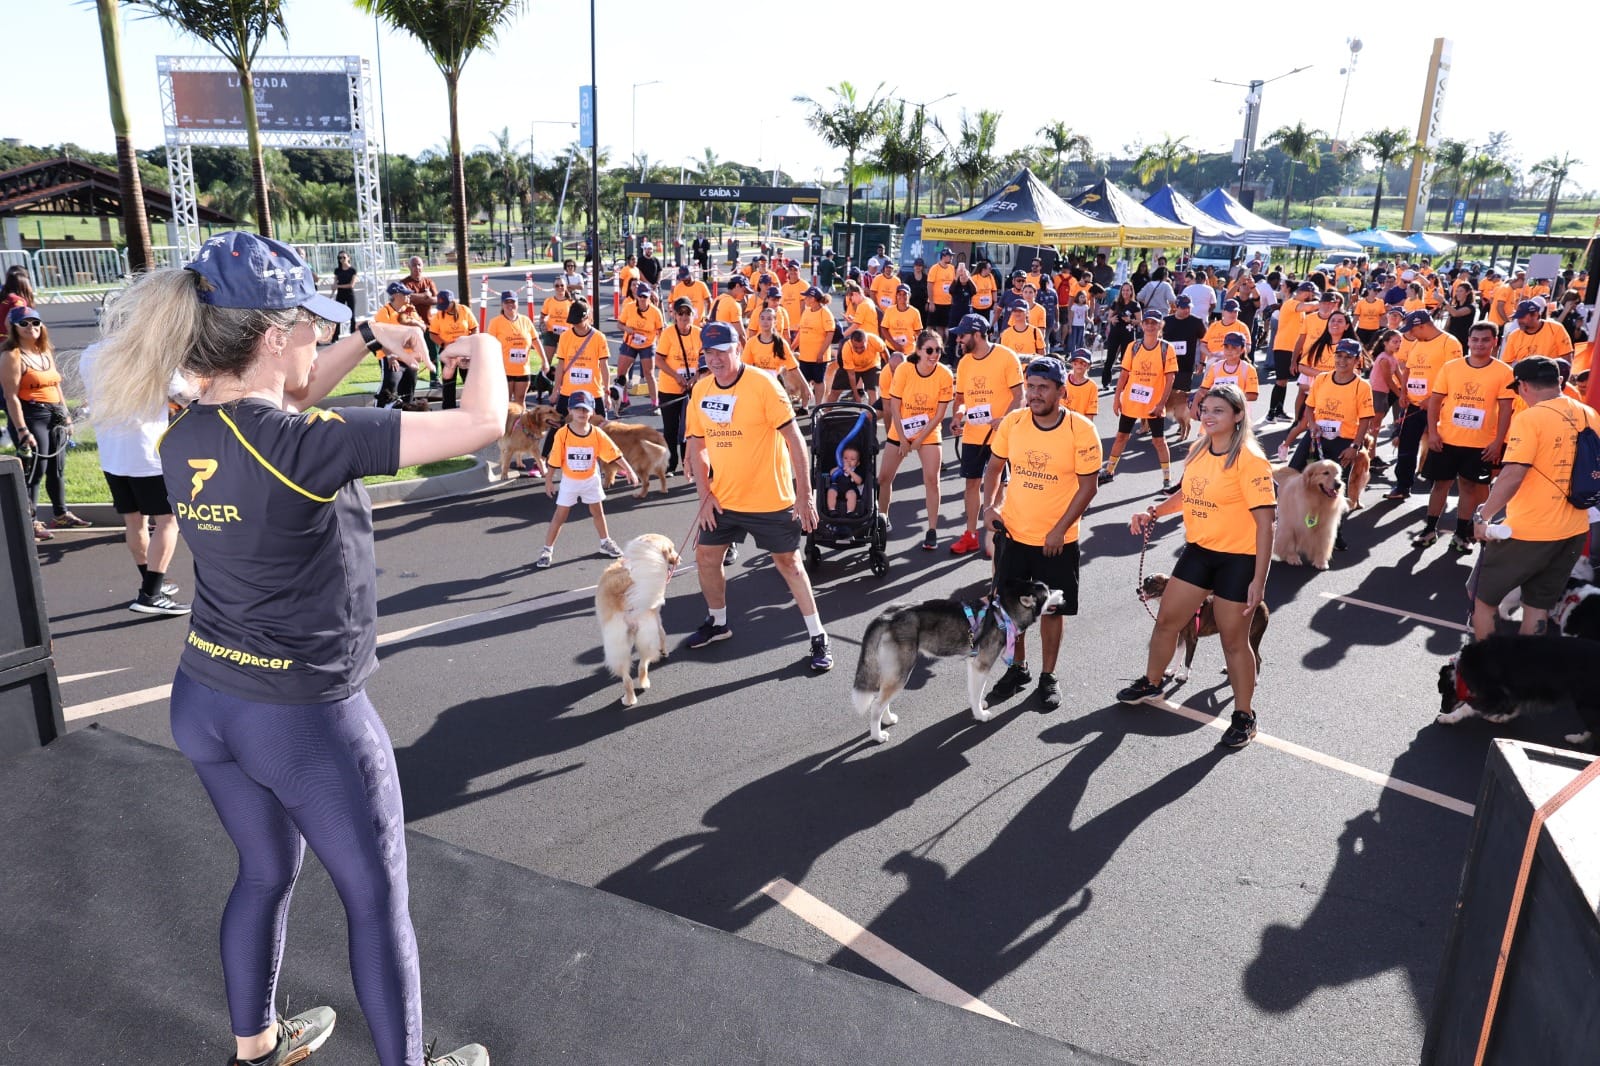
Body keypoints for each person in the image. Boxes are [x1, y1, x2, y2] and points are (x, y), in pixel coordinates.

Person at [89, 231, 498, 1066]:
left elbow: (284, 389)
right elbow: (484, 421)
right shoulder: (314, 444)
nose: (318, 337)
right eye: (308, 324)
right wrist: (487, 343)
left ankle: (258, 1047)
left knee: (264, 874)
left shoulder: (186, 438)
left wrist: (372, 337)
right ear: (273, 336)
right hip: (305, 719)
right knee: (378, 903)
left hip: (207, 701)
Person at [1119, 383, 1274, 749]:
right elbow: (1187, 493)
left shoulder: (1251, 461)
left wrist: (1259, 579)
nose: (1208, 415)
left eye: (1218, 410)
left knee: (1235, 643)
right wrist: (1155, 510)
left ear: (1238, 416)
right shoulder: (1198, 449)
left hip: (1238, 561)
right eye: (1205, 408)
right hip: (1199, 552)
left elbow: (1267, 524)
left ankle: (1244, 716)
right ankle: (1152, 683)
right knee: (1167, 622)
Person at [682, 321, 832, 671]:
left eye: (722, 350)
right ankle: (718, 623)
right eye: (709, 352)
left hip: (770, 499)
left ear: (739, 347)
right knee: (706, 557)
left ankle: (817, 636)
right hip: (724, 499)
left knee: (790, 565)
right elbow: (696, 444)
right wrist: (704, 493)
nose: (715, 358)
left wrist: (804, 495)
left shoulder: (764, 385)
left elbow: (796, 440)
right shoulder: (701, 391)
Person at [979, 356, 1102, 711]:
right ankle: (1018, 669)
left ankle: (1048, 676)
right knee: (1011, 610)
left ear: (1061, 392)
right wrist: (989, 506)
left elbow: (1089, 486)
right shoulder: (1014, 423)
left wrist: (1059, 530)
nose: (1034, 394)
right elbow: (994, 467)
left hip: (1055, 543)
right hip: (1014, 535)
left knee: (1050, 611)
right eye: (1030, 386)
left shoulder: (1081, 430)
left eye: (1043, 388)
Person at [1470, 356, 1600, 639]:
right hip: (1575, 528)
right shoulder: (1589, 413)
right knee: (1538, 606)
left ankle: (1486, 673)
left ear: (1523, 386)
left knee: (1482, 597)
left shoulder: (1530, 417)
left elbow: (1514, 473)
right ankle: (1526, 671)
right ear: (1560, 382)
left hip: (1530, 529)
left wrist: (1483, 516)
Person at [80, 341, 194, 614]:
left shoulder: (91, 353)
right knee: (168, 521)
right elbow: (186, 397)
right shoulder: (154, 352)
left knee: (134, 521)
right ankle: (151, 595)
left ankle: (150, 583)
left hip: (112, 454)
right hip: (146, 455)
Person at [1411, 322, 1516, 553]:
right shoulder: (1451, 367)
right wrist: (1433, 432)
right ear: (1468, 341)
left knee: (1468, 488)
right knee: (1440, 485)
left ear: (1494, 342)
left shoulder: (1504, 372)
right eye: (1475, 340)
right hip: (1447, 440)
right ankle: (1429, 529)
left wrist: (1498, 442)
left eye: (1485, 340)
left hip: (1481, 445)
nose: (1479, 344)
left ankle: (1460, 534)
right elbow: (1435, 401)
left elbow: (1507, 410)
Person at [1, 306, 89, 539]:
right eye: (25, 324)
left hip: (55, 414)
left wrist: (67, 417)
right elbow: (11, 396)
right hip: (32, 415)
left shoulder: (44, 352)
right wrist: (21, 430)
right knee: (35, 470)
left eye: (35, 322)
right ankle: (30, 521)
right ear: (13, 328)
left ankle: (61, 514)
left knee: (57, 468)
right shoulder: (12, 355)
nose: (32, 327)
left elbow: (56, 385)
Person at [949, 313, 1023, 556]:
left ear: (978, 334)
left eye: (963, 335)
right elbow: (961, 399)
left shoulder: (1005, 357)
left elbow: (1019, 395)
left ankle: (994, 533)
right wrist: (957, 417)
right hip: (972, 434)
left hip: (1000, 435)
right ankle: (970, 534)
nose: (959, 339)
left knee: (1000, 484)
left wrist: (1005, 420)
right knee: (972, 483)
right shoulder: (964, 363)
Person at [535, 390, 635, 569]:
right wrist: (548, 480)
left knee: (598, 512)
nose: (582, 413)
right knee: (560, 516)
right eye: (577, 409)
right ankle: (547, 550)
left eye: (585, 409)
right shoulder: (562, 434)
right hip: (570, 481)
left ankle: (605, 542)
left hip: (591, 480)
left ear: (592, 411)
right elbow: (555, 459)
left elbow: (614, 453)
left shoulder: (597, 433)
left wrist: (629, 470)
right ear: (570, 410)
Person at [877, 330, 954, 550]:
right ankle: (883, 519)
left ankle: (931, 530)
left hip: (928, 431)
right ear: (918, 351)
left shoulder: (945, 375)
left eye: (938, 350)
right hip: (901, 429)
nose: (934, 354)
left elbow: (940, 414)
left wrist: (920, 439)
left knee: (932, 479)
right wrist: (902, 437)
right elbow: (895, 405)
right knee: (884, 478)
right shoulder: (904, 370)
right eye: (929, 350)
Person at [1385, 309, 1464, 500]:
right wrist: (1403, 393)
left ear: (1422, 325)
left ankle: (1436, 491)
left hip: (1439, 406)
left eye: (1412, 330)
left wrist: (1434, 400)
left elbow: (1456, 376)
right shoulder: (1416, 344)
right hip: (1413, 404)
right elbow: (1408, 370)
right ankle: (1403, 486)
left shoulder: (1449, 342)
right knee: (1406, 446)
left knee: (1436, 447)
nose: (1409, 335)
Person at [1100, 310, 1178, 491]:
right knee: (1121, 436)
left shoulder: (1166, 349)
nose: (1150, 326)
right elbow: (1124, 374)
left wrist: (1161, 404)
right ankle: (1109, 470)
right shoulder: (1133, 347)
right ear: (1142, 325)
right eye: (1147, 322)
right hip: (1131, 401)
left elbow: (1170, 379)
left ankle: (1167, 478)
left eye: (1154, 323)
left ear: (1160, 326)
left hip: (1153, 406)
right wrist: (1116, 398)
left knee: (1159, 441)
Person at [653, 298, 702, 476]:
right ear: (674, 315)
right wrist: (677, 377)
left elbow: (704, 360)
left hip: (692, 389)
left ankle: (687, 462)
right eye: (680, 313)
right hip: (670, 389)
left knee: (690, 428)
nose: (684, 317)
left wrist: (695, 378)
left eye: (687, 313)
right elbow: (658, 359)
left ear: (693, 314)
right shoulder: (668, 334)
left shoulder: (698, 333)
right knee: (671, 429)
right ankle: (670, 465)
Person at [373, 282, 433, 406]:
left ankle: (404, 415)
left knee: (409, 387)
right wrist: (390, 356)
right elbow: (381, 337)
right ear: (396, 295)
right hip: (391, 354)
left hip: (409, 356)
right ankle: (378, 412)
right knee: (390, 385)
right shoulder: (385, 312)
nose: (408, 296)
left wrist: (412, 323)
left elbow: (423, 327)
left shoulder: (409, 309)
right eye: (405, 294)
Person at [1266, 281, 1318, 421]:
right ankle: (1271, 412)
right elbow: (1310, 306)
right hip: (1283, 347)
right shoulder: (1291, 303)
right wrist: (1325, 304)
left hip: (1291, 349)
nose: (1312, 297)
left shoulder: (1299, 309)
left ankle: (1279, 410)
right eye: (1311, 294)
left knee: (1284, 381)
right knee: (1280, 381)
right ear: (1306, 292)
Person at [486, 289, 545, 408]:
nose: (510, 305)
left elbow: (536, 341)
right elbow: (489, 345)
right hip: (504, 370)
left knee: (520, 401)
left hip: (522, 369)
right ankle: (505, 426)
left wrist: (545, 360)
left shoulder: (525, 321)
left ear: (517, 303)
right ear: (502, 304)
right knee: (505, 402)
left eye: (512, 302)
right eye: (507, 302)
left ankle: (519, 426)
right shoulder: (495, 322)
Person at [1162, 295, 1207, 437]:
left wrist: (1202, 362)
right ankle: (1155, 421)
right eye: (1183, 307)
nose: (1186, 310)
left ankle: (1183, 425)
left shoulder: (1196, 322)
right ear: (1176, 307)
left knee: (1182, 398)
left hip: (1186, 367)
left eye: (1188, 307)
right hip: (1166, 366)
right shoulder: (1166, 321)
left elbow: (1204, 342)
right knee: (1163, 395)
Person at [616, 282, 665, 412]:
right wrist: (627, 328)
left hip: (647, 345)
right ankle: (624, 400)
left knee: (649, 373)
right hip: (630, 342)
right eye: (640, 296)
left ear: (649, 296)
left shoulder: (655, 312)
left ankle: (655, 403)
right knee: (621, 373)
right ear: (637, 296)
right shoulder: (629, 307)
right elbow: (619, 324)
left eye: (645, 296)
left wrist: (661, 348)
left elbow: (661, 331)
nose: (643, 299)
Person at [744, 306, 808, 403]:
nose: (765, 322)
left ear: (775, 322)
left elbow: (793, 367)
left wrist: (806, 386)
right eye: (762, 318)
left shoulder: (780, 343)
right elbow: (744, 367)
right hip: (757, 383)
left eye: (769, 319)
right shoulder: (751, 343)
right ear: (759, 321)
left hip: (775, 383)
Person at [428, 291, 479, 411]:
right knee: (449, 381)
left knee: (468, 379)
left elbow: (474, 328)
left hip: (465, 350)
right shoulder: (439, 315)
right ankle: (448, 407)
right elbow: (432, 334)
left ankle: (471, 405)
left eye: (446, 305)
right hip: (448, 350)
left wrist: (471, 341)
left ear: (452, 302)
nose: (444, 309)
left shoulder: (464, 310)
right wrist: (443, 343)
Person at [794, 286, 837, 408]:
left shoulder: (825, 313)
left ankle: (818, 406)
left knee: (818, 381)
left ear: (813, 298)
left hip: (819, 356)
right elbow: (801, 331)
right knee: (804, 381)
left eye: (807, 296)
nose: (805, 299)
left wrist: (821, 353)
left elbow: (830, 334)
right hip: (805, 355)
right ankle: (804, 406)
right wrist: (793, 346)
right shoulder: (807, 311)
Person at [1502, 299, 1575, 366]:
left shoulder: (1556, 329)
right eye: (1518, 318)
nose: (1519, 321)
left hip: (1550, 376)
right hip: (1525, 378)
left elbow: (1566, 360)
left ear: (1535, 315)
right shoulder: (1514, 336)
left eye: (1522, 317)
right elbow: (1507, 363)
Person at [1102, 282, 1139, 389]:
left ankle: (1123, 384)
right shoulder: (1116, 303)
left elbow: (1139, 321)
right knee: (1110, 357)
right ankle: (1106, 382)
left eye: (1127, 290)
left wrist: (1130, 320)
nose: (1125, 292)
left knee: (1125, 359)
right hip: (1115, 332)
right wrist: (1112, 319)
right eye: (1123, 290)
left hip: (1128, 333)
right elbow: (1109, 317)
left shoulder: (1135, 305)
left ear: (1131, 291)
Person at [880, 284, 923, 367]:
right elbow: (884, 328)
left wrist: (919, 349)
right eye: (899, 294)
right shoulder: (890, 310)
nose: (902, 297)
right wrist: (895, 344)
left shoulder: (915, 312)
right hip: (891, 348)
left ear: (909, 296)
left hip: (909, 350)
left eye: (905, 294)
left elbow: (918, 332)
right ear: (896, 295)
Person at [827, 444, 865, 516]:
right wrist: (838, 467)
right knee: (831, 492)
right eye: (845, 458)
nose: (848, 461)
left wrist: (851, 472)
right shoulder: (839, 467)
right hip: (837, 487)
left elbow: (859, 481)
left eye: (852, 459)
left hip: (850, 488)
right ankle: (832, 510)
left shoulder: (856, 470)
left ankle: (850, 511)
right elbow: (831, 474)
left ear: (858, 463)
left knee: (852, 495)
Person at [927, 248, 956, 337]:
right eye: (949, 256)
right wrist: (931, 302)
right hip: (936, 303)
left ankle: (943, 346)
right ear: (943, 256)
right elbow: (929, 285)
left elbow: (954, 284)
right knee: (931, 325)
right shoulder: (935, 268)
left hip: (947, 303)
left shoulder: (952, 268)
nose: (951, 258)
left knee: (944, 326)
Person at [1062, 349, 1099, 417]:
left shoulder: (1092, 386)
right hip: (1063, 422)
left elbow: (1090, 411)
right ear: (1072, 363)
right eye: (1076, 361)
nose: (1079, 364)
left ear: (1089, 365)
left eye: (1083, 362)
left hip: (1080, 424)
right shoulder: (1063, 380)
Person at [540, 277, 573, 353]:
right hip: (551, 333)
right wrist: (542, 326)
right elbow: (542, 316)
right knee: (546, 360)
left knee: (566, 360)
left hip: (567, 334)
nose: (560, 287)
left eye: (562, 285)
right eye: (557, 286)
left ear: (566, 286)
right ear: (553, 287)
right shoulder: (548, 301)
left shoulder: (571, 302)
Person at [331, 252, 358, 339]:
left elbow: (351, 285)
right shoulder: (337, 270)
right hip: (340, 294)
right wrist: (334, 288)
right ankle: (335, 336)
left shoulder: (352, 270)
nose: (342, 260)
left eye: (343, 257)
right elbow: (335, 282)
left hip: (349, 294)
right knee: (338, 315)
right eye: (340, 258)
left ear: (348, 258)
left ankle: (353, 334)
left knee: (352, 315)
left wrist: (338, 286)